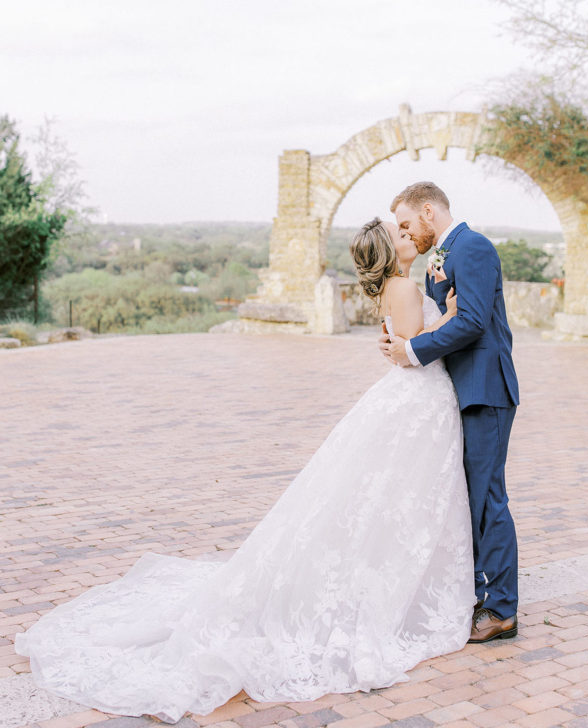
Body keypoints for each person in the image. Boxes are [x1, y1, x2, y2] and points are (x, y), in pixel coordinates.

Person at [15, 219, 475, 724]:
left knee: (391, 496)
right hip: (417, 399)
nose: (409, 234)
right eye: (400, 232)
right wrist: (447, 316)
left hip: (409, 402)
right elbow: (410, 350)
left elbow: (397, 341)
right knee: (399, 495)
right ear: (392, 250)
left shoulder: (397, 285)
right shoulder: (406, 286)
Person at [382, 182, 520, 643]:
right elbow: (448, 317)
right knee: (469, 496)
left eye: (406, 224)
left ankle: (501, 608)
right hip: (458, 389)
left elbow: (474, 320)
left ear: (427, 212)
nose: (405, 233)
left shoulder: (473, 247)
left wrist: (412, 349)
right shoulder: (438, 260)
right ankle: (481, 589)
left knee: (487, 498)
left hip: (485, 388)